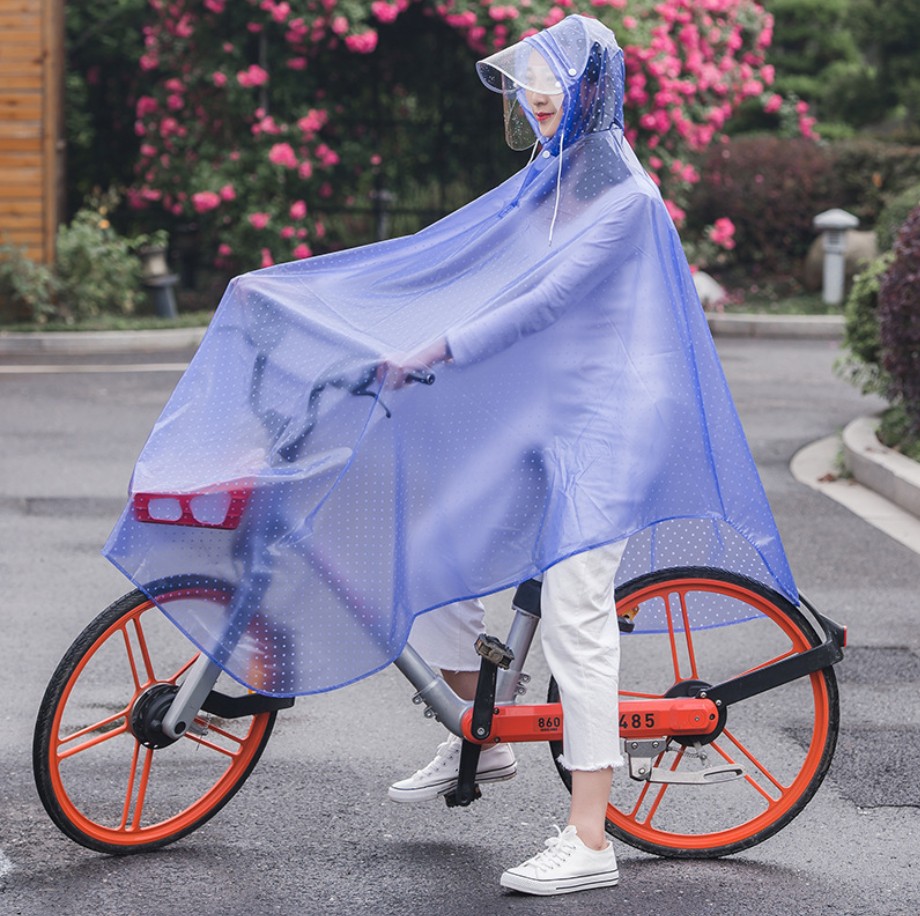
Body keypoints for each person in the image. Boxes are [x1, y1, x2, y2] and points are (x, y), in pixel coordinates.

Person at [105, 11, 797, 900]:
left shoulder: (625, 200)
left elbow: (541, 302)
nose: (536, 98)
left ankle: (590, 838)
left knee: (577, 611)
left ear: (593, 89)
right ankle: (485, 733)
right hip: (549, 414)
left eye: (552, 84)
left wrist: (434, 350)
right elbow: (445, 265)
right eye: (529, 85)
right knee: (425, 541)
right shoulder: (546, 185)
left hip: (615, 423)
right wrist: (331, 314)